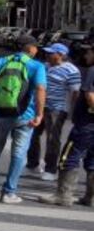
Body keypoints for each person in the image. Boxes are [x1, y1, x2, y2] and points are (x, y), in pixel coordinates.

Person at [0, 35, 47, 203]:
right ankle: (8, 192)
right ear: (30, 48)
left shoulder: (0, 61)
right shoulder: (36, 66)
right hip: (24, 116)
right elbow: (40, 89)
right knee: (19, 154)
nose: (37, 50)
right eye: (36, 47)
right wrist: (39, 113)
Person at [40, 46, 94, 207]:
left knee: (69, 158)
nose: (86, 55)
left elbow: (89, 95)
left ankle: (63, 195)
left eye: (90, 53)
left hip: (86, 124)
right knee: (92, 160)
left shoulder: (92, 70)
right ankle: (89, 197)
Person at [27, 42, 80, 181]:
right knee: (32, 134)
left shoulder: (71, 70)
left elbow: (75, 92)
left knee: (52, 139)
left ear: (61, 55)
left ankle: (50, 169)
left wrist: (72, 111)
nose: (48, 55)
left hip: (57, 109)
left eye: (51, 53)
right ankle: (32, 164)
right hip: (39, 106)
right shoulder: (44, 66)